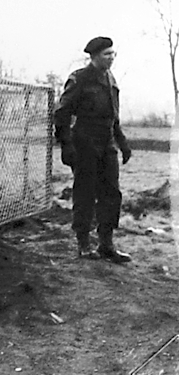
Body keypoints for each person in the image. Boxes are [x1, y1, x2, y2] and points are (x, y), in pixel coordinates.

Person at [54, 36, 132, 263]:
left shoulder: (110, 79)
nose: (112, 58)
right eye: (107, 54)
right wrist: (66, 145)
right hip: (84, 142)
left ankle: (106, 244)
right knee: (85, 192)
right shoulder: (79, 79)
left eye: (113, 54)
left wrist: (122, 143)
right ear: (94, 56)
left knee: (111, 193)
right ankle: (83, 243)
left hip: (106, 143)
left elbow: (113, 116)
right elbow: (62, 113)